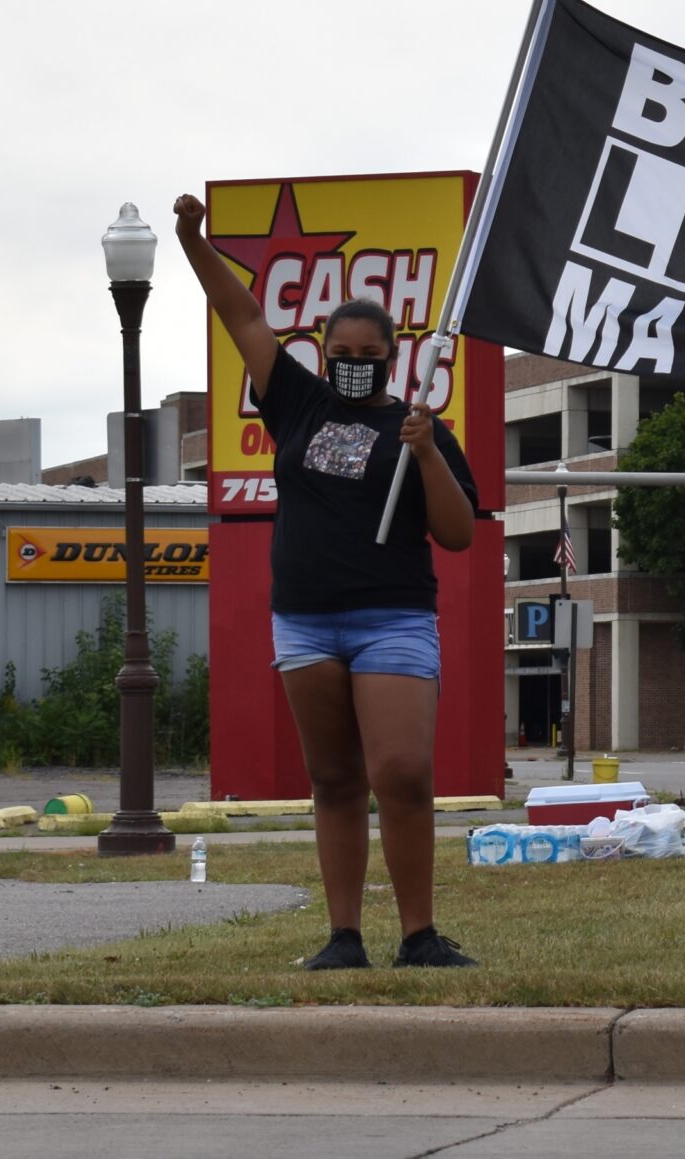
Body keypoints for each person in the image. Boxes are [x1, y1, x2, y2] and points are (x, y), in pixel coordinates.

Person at [173, 193, 480, 970]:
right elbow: (239, 312)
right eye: (338, 347)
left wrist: (429, 453)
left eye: (367, 352)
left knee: (402, 772)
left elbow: (457, 531)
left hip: (392, 618)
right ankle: (344, 936)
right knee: (334, 776)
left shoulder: (419, 427)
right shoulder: (299, 400)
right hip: (305, 621)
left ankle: (419, 935)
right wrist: (191, 240)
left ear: (391, 354)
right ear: (321, 345)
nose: (352, 361)